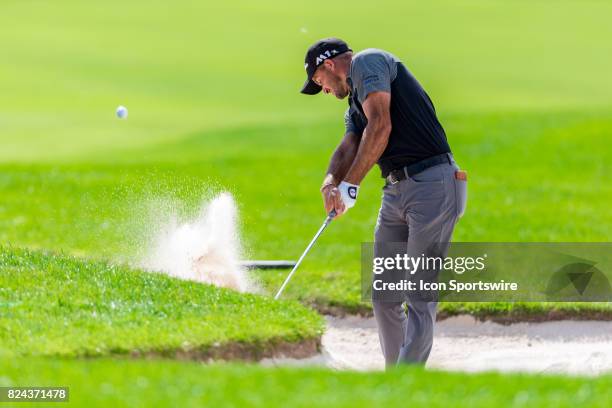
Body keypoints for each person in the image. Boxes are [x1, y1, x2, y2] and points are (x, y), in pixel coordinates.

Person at [299, 37, 467, 367]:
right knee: (384, 295)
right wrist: (330, 182)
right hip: (395, 193)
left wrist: (351, 185)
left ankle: (404, 383)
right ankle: (397, 377)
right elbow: (349, 146)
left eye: (320, 82)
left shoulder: (368, 62)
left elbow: (381, 125)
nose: (325, 91)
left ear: (330, 65)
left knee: (419, 294)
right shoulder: (353, 105)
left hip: (432, 185)